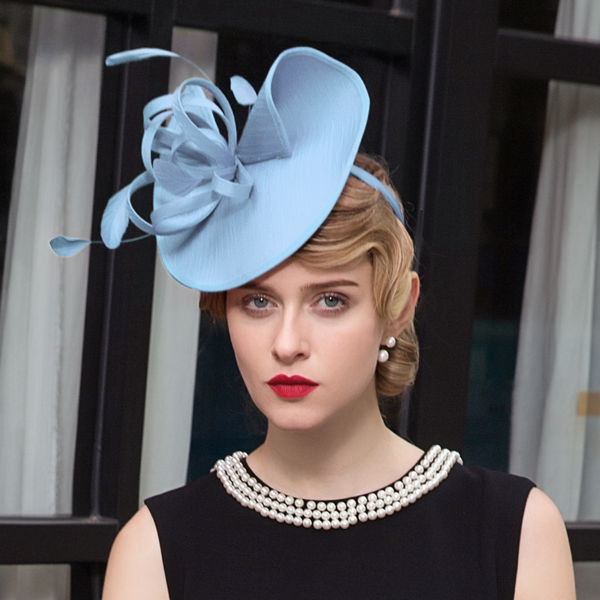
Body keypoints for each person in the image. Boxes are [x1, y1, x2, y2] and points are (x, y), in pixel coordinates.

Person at [54, 47, 575, 599]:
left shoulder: (515, 532)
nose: (287, 344)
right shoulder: (155, 552)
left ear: (399, 307)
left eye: (329, 300)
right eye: (258, 302)